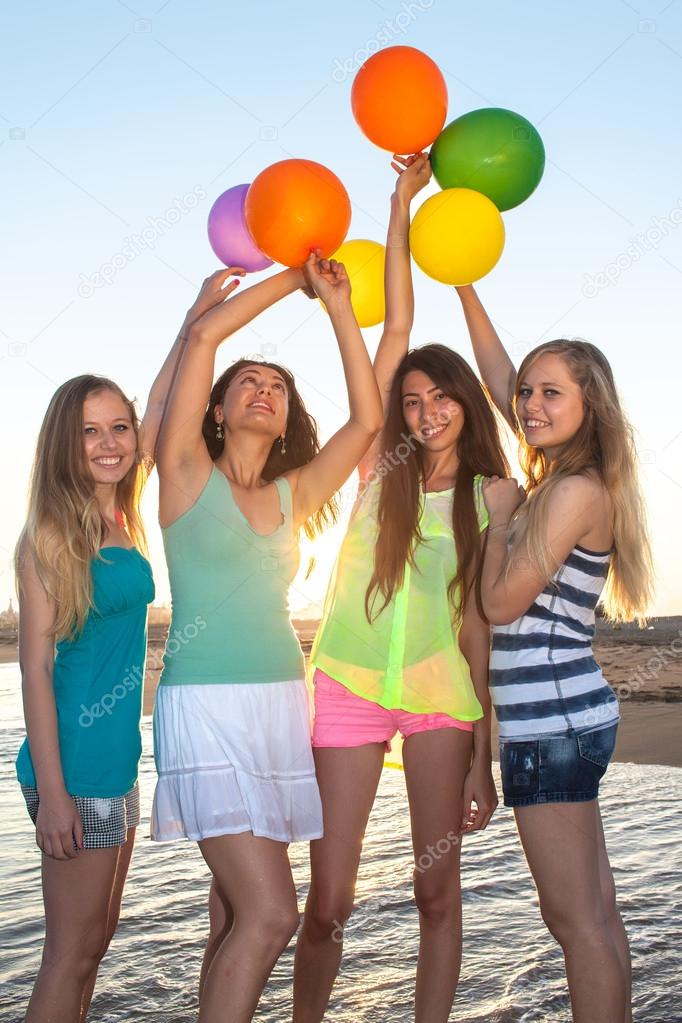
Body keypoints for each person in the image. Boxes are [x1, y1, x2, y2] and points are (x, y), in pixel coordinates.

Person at [292, 156, 509, 1023]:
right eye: (411, 398)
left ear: (464, 401)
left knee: (435, 892)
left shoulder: (494, 497)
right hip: (344, 686)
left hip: (441, 703)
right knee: (330, 899)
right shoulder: (376, 470)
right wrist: (399, 203)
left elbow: (477, 630)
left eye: (440, 396)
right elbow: (398, 324)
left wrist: (483, 753)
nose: (424, 411)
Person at [150, 255, 383, 1022]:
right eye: (248, 381)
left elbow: (368, 422)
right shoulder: (184, 472)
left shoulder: (293, 494)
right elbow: (208, 333)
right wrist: (297, 276)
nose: (264, 390)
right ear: (216, 410)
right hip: (207, 707)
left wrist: (341, 306)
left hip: (283, 706)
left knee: (233, 912)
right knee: (273, 912)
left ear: (285, 417)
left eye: (277, 387)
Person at [14, 275, 234, 1022]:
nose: (110, 443)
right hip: (71, 767)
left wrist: (196, 315)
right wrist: (53, 795)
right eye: (90, 431)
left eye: (118, 428)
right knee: (69, 953)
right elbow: (36, 669)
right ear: (64, 444)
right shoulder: (49, 534)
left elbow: (164, 401)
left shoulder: (120, 511)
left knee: (96, 942)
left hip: (115, 760)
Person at [458, 284, 653, 1023]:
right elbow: (495, 368)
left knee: (575, 921)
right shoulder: (568, 477)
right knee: (595, 911)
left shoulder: (570, 490)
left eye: (551, 393)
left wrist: (500, 522)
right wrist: (463, 276)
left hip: (553, 726)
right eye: (527, 393)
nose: (531, 404)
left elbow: (499, 603)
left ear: (588, 405)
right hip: (570, 716)